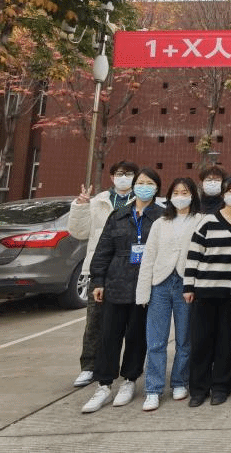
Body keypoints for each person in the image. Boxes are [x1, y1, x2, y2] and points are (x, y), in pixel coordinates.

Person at [82, 168, 163, 413]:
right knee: (109, 335)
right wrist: (98, 281)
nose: (144, 187)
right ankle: (104, 384)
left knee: (137, 336)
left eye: (150, 183)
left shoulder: (161, 217)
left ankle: (129, 380)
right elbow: (103, 250)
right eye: (141, 182)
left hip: (145, 284)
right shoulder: (118, 215)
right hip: (116, 282)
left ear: (157, 188)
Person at [68, 159, 139, 388]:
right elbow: (79, 232)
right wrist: (80, 206)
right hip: (100, 269)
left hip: (131, 270)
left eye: (129, 174)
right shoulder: (98, 201)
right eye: (120, 173)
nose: (124, 177)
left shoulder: (140, 201)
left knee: (129, 324)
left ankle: (129, 371)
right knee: (95, 322)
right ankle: (89, 366)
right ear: (112, 177)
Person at [135, 177, 203, 411]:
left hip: (186, 284)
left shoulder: (201, 220)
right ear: (169, 196)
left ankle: (180, 381)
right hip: (161, 284)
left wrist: (195, 285)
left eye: (185, 192)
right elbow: (148, 257)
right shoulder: (160, 223)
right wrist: (143, 292)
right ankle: (153, 389)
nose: (180, 196)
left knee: (185, 339)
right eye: (176, 192)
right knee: (156, 340)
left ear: (192, 195)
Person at [184, 174, 231, 407]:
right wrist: (188, 286)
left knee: (227, 342)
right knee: (201, 342)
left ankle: (221, 387)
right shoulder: (208, 221)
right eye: (230, 190)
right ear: (223, 194)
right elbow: (194, 254)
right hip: (206, 291)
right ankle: (198, 389)